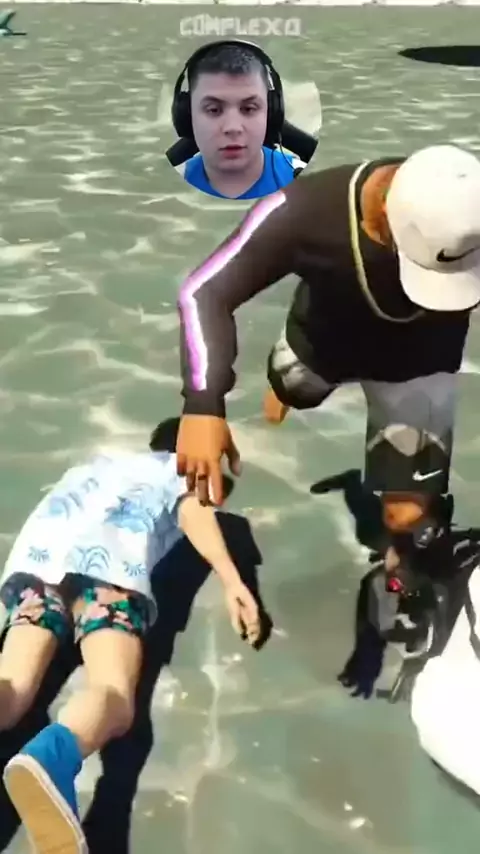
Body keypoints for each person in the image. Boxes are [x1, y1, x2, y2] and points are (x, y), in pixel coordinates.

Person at [175, 143, 480, 595]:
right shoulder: (298, 212)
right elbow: (203, 292)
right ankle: (285, 388)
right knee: (292, 387)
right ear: (383, 217)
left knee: (407, 514)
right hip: (321, 346)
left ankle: (407, 558)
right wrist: (203, 403)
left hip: (422, 359)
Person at [0, 417, 261, 854]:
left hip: (40, 572)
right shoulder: (182, 470)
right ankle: (51, 759)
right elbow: (194, 512)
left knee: (14, 690)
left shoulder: (93, 465)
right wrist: (233, 580)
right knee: (114, 695)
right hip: (110, 577)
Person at [171, 40, 307, 200]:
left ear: (271, 113)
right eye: (214, 110)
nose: (233, 127)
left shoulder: (305, 183)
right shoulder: (168, 186)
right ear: (188, 115)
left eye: (249, 109)